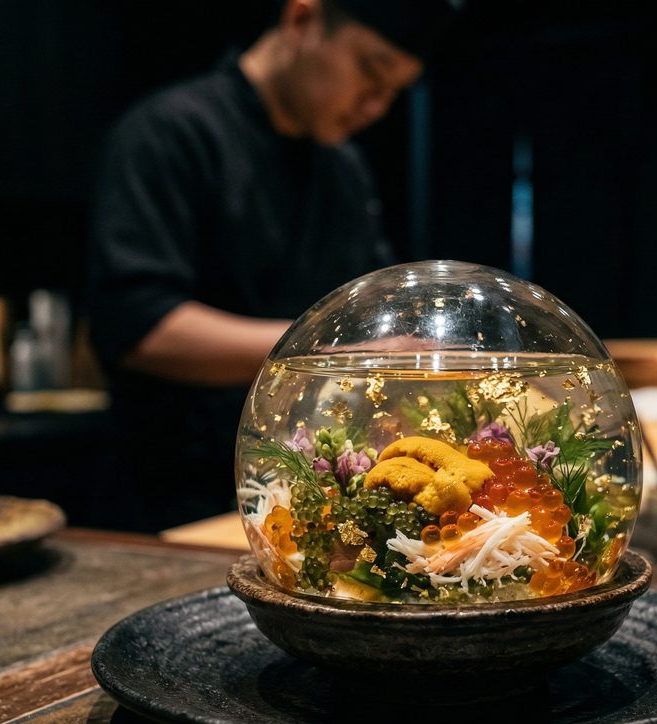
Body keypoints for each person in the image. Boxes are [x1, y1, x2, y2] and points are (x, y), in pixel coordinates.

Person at [84, 0, 459, 532]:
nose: (377, 106)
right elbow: (137, 326)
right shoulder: (169, 132)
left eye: (394, 90)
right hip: (172, 493)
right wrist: (331, 354)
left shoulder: (343, 169)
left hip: (302, 496)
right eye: (371, 72)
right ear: (301, 20)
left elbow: (372, 310)